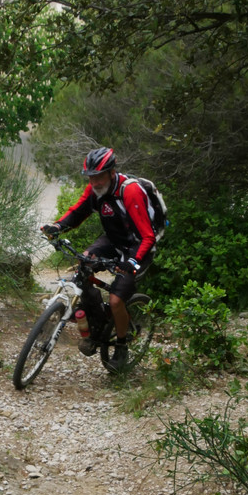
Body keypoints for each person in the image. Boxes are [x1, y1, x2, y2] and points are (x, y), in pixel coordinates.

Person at [41, 146, 159, 371]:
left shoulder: (130, 192)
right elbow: (77, 213)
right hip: (114, 240)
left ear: (112, 172)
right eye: (91, 177)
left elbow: (148, 237)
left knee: (115, 300)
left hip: (139, 247)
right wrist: (56, 227)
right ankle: (96, 320)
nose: (95, 182)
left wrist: (132, 263)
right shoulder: (94, 190)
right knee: (84, 263)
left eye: (99, 176)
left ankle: (121, 346)